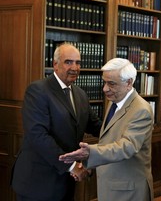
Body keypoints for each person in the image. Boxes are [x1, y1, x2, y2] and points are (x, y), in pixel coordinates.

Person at [11, 43, 102, 201]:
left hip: (66, 183)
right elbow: (38, 136)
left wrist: (122, 129)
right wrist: (72, 166)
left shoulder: (80, 94)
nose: (74, 67)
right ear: (55, 64)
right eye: (68, 62)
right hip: (38, 183)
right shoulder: (38, 90)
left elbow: (96, 126)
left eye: (78, 62)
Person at [59, 58, 154, 201]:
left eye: (111, 83)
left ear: (128, 83)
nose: (105, 89)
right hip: (113, 187)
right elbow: (109, 141)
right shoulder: (115, 102)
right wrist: (88, 166)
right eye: (105, 82)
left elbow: (126, 147)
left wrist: (90, 153)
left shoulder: (141, 110)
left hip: (128, 191)